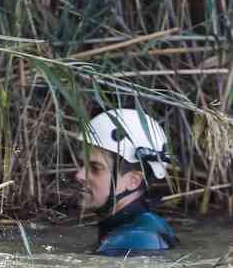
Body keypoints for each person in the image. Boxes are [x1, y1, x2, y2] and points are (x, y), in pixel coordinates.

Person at [74, 108, 179, 256]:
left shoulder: (135, 239)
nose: (80, 175)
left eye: (95, 168)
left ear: (133, 181)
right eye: (82, 164)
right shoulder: (140, 229)